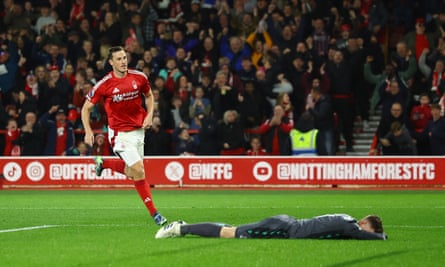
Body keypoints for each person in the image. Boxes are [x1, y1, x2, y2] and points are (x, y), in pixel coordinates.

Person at [81, 46, 167, 226]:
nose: (123, 62)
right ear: (111, 62)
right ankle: (155, 213)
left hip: (138, 131)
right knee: (139, 170)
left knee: (133, 172)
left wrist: (150, 115)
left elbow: (149, 96)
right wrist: (88, 131)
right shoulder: (104, 84)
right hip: (119, 134)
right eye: (118, 59)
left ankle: (104, 163)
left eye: (124, 58)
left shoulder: (139, 77)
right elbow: (85, 108)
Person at [155, 213, 387, 240]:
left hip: (285, 224)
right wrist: (381, 237)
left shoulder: (344, 218)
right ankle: (180, 228)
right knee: (230, 233)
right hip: (283, 229)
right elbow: (360, 235)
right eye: (368, 230)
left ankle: (184, 227)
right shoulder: (350, 225)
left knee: (232, 229)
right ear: (364, 223)